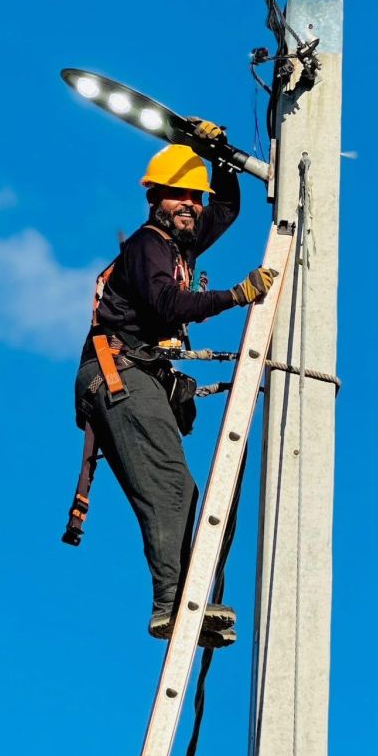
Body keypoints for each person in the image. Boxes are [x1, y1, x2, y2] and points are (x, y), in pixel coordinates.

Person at [74, 126, 277, 647]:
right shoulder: (149, 245)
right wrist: (236, 295)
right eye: (178, 195)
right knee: (169, 487)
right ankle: (171, 604)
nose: (190, 205)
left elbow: (227, 210)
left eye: (194, 197)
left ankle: (185, 603)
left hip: (135, 375)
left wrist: (221, 159)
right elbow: (167, 305)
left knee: (184, 493)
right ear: (155, 200)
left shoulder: (182, 241)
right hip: (119, 374)